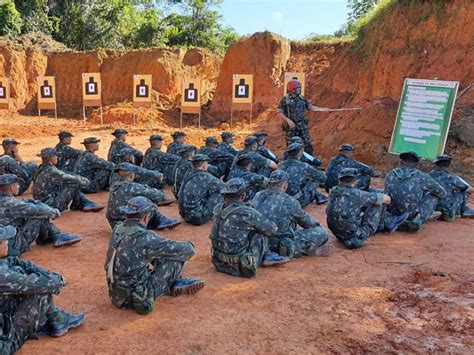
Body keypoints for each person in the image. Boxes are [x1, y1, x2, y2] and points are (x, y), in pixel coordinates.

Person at [105, 196, 204, 315]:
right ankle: (173, 282)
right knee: (174, 258)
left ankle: (175, 282)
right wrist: (189, 244)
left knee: (156, 252)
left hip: (115, 295)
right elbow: (188, 250)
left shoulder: (117, 229)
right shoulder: (145, 237)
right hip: (136, 298)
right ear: (146, 217)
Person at [0, 224, 86, 354]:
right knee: (39, 291)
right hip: (5, 346)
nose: (7, 242)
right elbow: (48, 283)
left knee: (19, 272)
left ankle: (56, 318)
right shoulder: (3, 276)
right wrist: (59, 279)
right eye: (4, 239)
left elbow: (18, 263)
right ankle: (58, 320)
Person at [209, 178, 289, 278]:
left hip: (218, 262)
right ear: (243, 195)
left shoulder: (217, 208)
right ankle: (266, 256)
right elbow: (272, 229)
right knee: (259, 233)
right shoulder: (247, 212)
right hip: (240, 267)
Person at [252, 170, 333, 258]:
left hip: (259, 243)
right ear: (285, 185)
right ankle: (305, 249)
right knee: (321, 233)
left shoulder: (258, 195)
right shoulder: (289, 201)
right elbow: (309, 223)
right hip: (281, 245)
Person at [327, 168, 408, 249]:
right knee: (378, 203)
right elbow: (387, 199)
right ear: (355, 181)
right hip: (355, 238)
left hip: (337, 234)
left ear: (339, 180)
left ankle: (384, 224)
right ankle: (385, 225)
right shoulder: (357, 194)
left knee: (362, 204)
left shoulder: (333, 190)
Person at [0, 174, 81, 255]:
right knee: (40, 214)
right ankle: (50, 237)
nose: (18, 186)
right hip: (13, 243)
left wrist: (43, 206)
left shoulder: (7, 200)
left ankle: (55, 235)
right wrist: (53, 211)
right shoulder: (11, 203)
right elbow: (38, 210)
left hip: (5, 238)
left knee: (36, 211)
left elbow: (28, 202)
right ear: (11, 187)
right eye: (17, 184)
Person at [385, 151, 448, 232]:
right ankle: (418, 220)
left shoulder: (390, 174)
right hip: (411, 217)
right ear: (417, 165)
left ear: (400, 162)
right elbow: (443, 193)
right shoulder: (422, 176)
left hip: (392, 215)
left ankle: (392, 220)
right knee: (433, 196)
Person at [106, 163, 180, 230]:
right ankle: (161, 220)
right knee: (146, 201)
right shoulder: (133, 187)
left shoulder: (114, 185)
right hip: (127, 223)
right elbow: (159, 195)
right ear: (132, 175)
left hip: (114, 224)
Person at [32, 148, 104, 212]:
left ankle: (85, 203)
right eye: (55, 156)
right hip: (50, 206)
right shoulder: (51, 171)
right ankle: (83, 204)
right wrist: (85, 181)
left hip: (42, 203)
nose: (57, 158)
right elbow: (70, 179)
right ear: (51, 158)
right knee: (74, 183)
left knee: (69, 182)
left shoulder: (41, 168)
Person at [277, 79, 331, 154]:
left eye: (299, 88)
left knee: (307, 144)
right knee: (291, 145)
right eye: (297, 88)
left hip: (302, 125)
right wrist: (288, 120)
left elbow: (310, 107)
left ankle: (309, 161)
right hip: (291, 127)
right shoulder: (285, 99)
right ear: (291, 89)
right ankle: (291, 162)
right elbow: (279, 112)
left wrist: (323, 109)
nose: (299, 90)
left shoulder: (302, 98)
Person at [178, 154, 225, 226]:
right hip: (197, 218)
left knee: (209, 190)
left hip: (184, 215)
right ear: (203, 164)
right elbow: (225, 188)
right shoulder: (204, 176)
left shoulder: (188, 173)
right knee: (219, 194)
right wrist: (222, 180)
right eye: (207, 163)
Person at [428, 154, 474, 221]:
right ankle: (463, 211)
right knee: (463, 190)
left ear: (435, 164)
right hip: (447, 210)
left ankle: (434, 212)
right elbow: (469, 189)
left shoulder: (427, 176)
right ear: (448, 165)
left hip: (429, 207)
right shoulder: (452, 177)